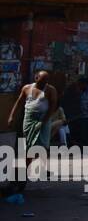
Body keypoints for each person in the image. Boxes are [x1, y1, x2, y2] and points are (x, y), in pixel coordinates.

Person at [4, 71, 58, 204]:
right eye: (41, 80)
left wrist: (44, 121)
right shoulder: (27, 88)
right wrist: (11, 116)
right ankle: (20, 176)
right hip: (28, 121)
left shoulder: (50, 90)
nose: (44, 83)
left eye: (46, 81)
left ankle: (22, 173)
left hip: (43, 121)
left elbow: (53, 107)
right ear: (36, 78)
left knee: (40, 148)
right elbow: (19, 102)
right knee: (27, 148)